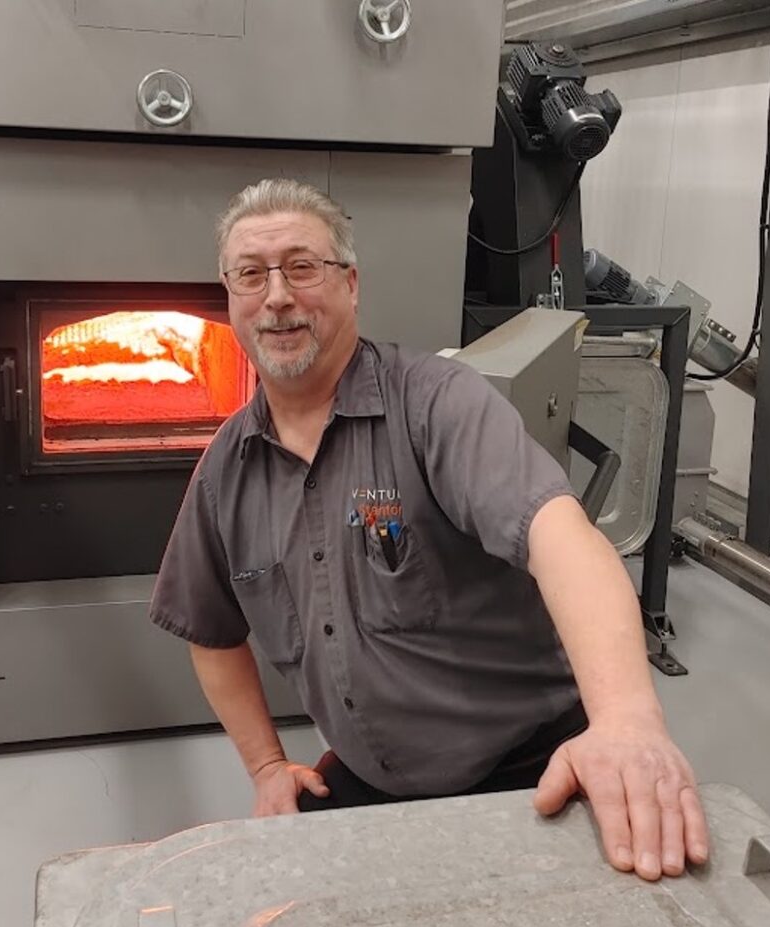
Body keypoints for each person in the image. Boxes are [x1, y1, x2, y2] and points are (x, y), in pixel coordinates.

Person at [150, 178, 709, 882]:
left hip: (529, 767)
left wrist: (627, 721)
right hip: (370, 784)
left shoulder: (435, 405)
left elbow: (560, 536)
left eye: (302, 267)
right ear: (231, 299)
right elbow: (212, 630)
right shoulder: (227, 468)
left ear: (351, 286)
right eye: (251, 275)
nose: (278, 296)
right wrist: (266, 767)